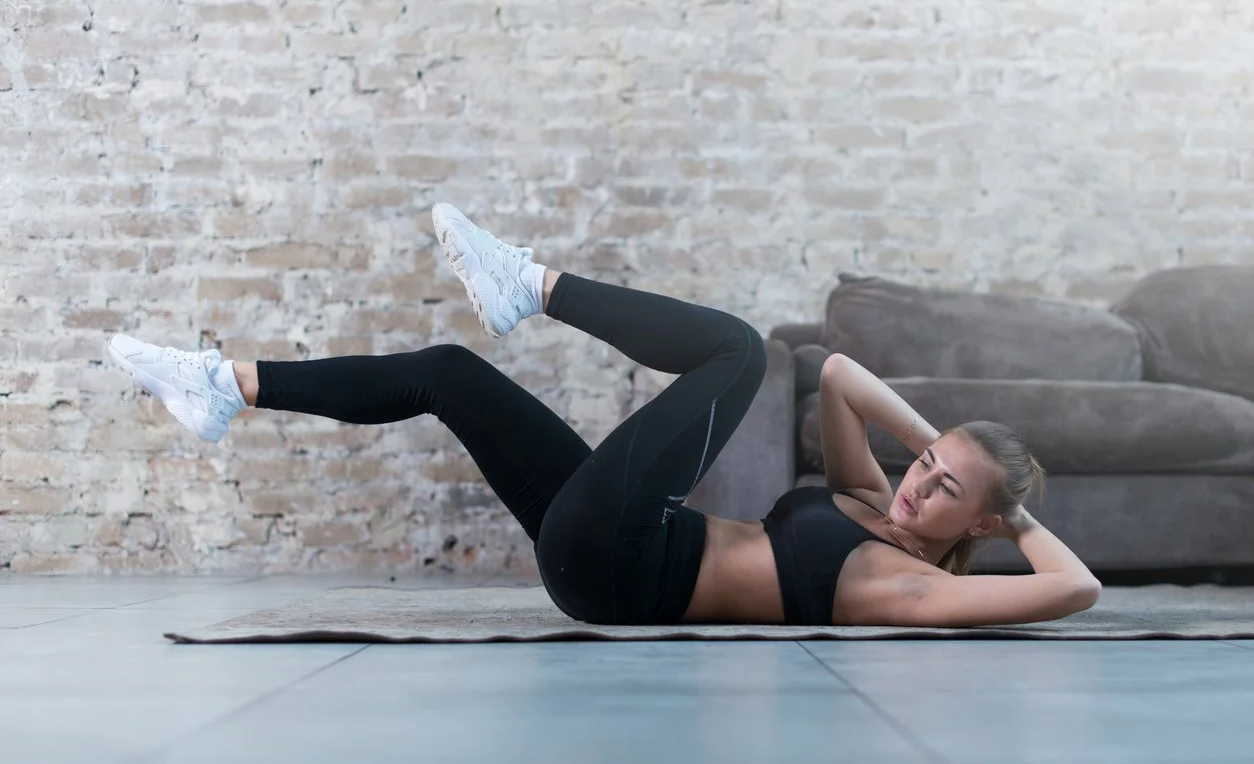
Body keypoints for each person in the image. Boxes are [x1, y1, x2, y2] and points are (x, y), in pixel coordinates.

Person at [107, 203, 1100, 627]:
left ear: (978, 525)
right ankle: (225, 387)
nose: (919, 480)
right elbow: (836, 372)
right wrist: (933, 444)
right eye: (926, 462)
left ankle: (533, 285)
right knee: (450, 371)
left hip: (628, 569)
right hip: (610, 550)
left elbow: (1079, 588)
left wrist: (1009, 512)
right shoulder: (870, 504)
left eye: (943, 489)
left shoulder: (911, 592)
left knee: (738, 351)